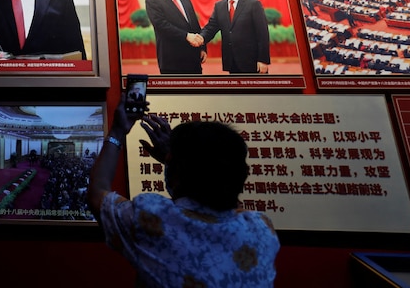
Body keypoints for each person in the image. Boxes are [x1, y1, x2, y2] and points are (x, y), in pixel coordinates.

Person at [88, 94, 280, 288]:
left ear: (175, 170)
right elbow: (216, 194)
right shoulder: (261, 228)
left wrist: (118, 131)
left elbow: (98, 193)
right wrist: (173, 164)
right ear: (243, 174)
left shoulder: (150, 218)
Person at [195, 0, 271, 74]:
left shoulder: (253, 4)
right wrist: (200, 39)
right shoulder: (219, 6)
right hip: (231, 61)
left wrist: (263, 60)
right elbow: (211, 27)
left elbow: (263, 34)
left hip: (252, 62)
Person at [144, 0, 206, 74]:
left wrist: (202, 48)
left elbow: (195, 25)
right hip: (172, 59)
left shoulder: (185, 0)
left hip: (193, 58)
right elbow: (161, 25)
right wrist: (186, 36)